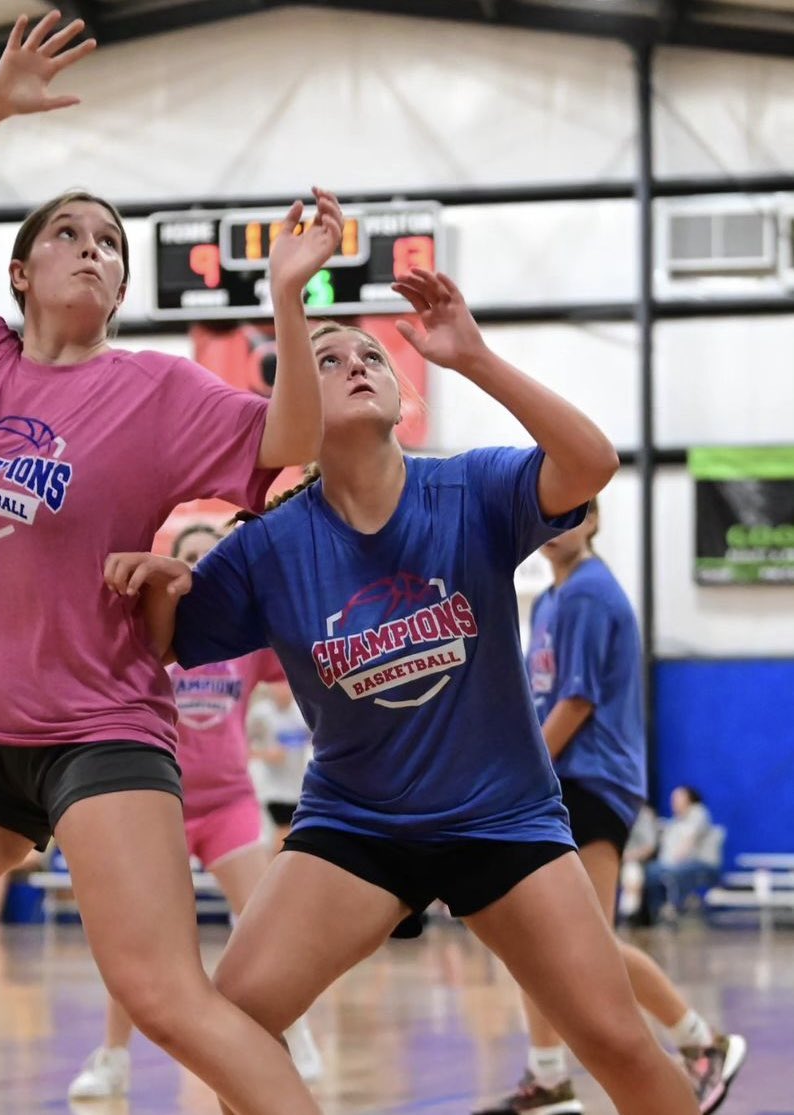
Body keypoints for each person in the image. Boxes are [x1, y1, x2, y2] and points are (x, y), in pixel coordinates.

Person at [0, 11, 339, 1115]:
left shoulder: (156, 390)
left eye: (113, 246)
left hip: (102, 735)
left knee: (164, 995)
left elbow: (293, 445)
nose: (96, 249)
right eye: (74, 235)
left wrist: (286, 300)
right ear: (22, 270)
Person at [104, 267, 702, 1115]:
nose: (356, 362)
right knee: (230, 1020)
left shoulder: (471, 490)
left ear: (399, 394)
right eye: (328, 354)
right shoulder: (266, 548)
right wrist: (156, 584)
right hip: (358, 827)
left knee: (615, 1041)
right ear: (295, 402)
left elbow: (592, 462)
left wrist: (478, 359)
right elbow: (159, 646)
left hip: (502, 819)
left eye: (372, 356)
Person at [474, 506, 746, 1114]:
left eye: (572, 514)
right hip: (557, 780)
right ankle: (546, 1082)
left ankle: (703, 1045)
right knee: (532, 935)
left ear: (594, 520)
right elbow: (529, 699)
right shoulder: (547, 603)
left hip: (590, 781)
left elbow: (574, 703)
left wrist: (517, 774)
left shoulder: (590, 596)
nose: (557, 525)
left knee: (585, 943)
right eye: (545, 516)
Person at [68, 524, 322, 1101]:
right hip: (163, 804)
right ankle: (113, 1058)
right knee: (138, 943)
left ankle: (296, 1038)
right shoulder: (145, 638)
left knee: (265, 930)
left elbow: (292, 687)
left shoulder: (246, 642)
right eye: (187, 559)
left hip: (231, 802)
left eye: (210, 560)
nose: (196, 570)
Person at [642, 786, 723, 925]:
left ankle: (676, 909)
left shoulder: (698, 813)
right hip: (673, 863)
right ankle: (656, 912)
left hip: (699, 863)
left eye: (678, 797)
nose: (673, 801)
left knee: (675, 873)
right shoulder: (674, 821)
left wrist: (672, 862)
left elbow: (688, 842)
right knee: (651, 872)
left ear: (689, 799)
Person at [247, 678, 312, 848]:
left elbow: (320, 740)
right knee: (284, 832)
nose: (282, 689)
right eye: (277, 684)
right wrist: (266, 755)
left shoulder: (303, 711)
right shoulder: (261, 714)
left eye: (285, 683)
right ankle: (276, 870)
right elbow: (242, 747)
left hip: (299, 786)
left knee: (295, 833)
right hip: (273, 788)